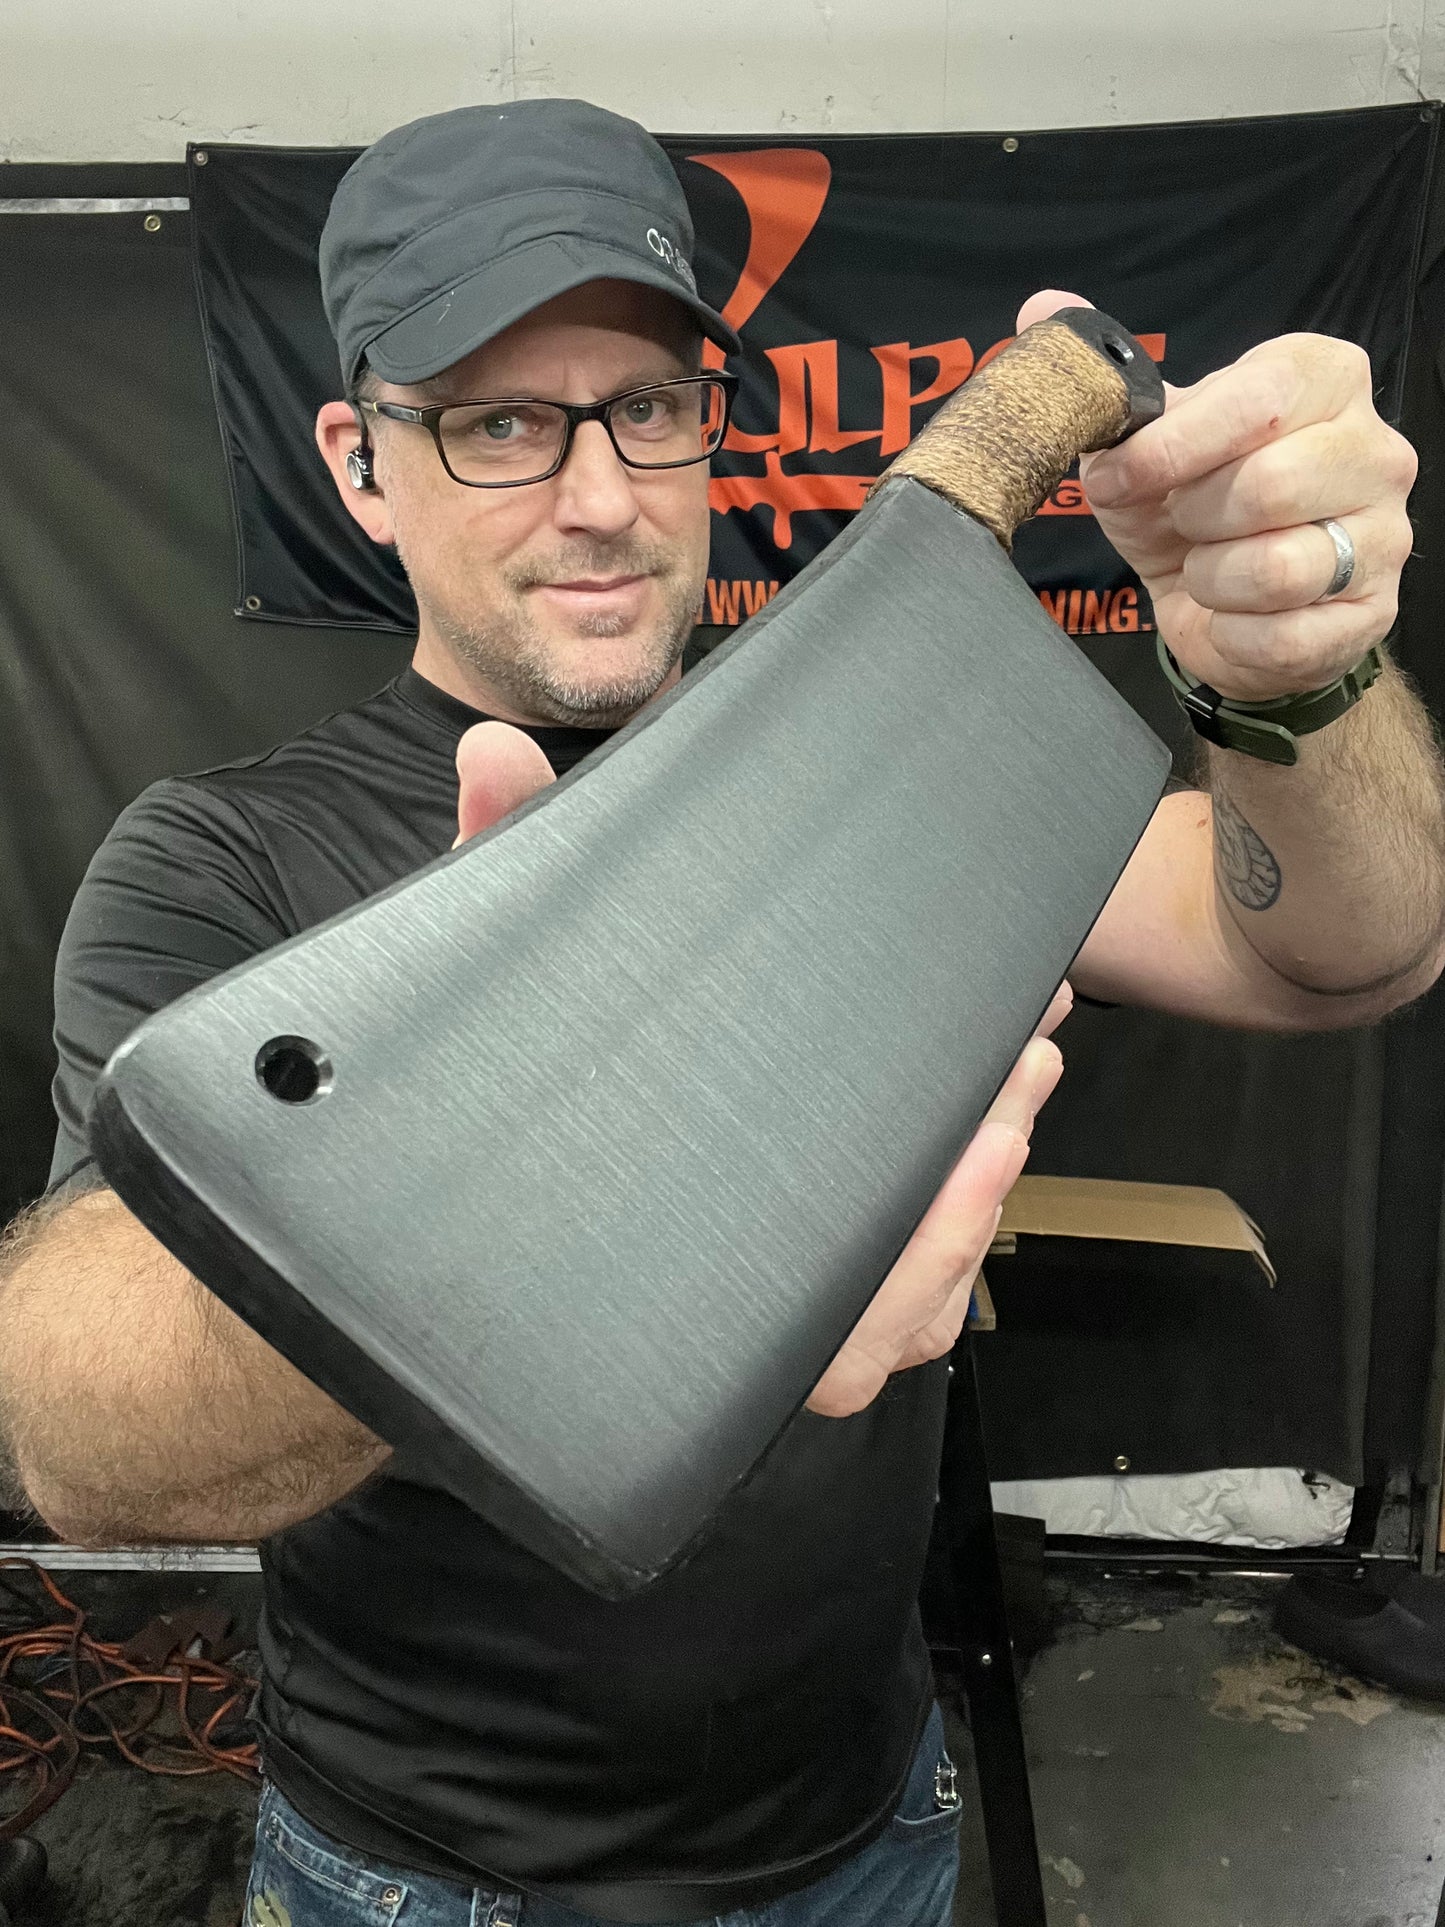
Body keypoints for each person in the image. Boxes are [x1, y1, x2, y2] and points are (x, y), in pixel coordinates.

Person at [0, 95, 1441, 1927]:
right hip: (427, 1883)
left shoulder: (880, 776)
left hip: (869, 1833)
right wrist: (538, 1186)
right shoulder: (222, 856)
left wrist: (1296, 682)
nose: (601, 497)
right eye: (500, 424)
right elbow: (77, 1431)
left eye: (648, 408)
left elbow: (1342, 951)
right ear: (362, 465)